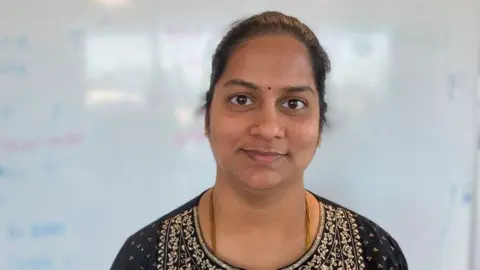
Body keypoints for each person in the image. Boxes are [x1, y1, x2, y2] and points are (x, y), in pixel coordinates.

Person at [110, 11, 408, 270]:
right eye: (241, 99)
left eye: (293, 103)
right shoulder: (146, 258)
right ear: (207, 119)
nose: (268, 128)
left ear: (319, 125)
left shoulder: (371, 255)